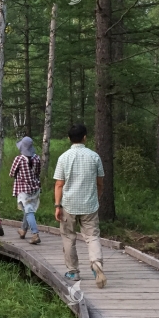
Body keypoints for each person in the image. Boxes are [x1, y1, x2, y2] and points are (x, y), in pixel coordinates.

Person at [53, 123, 106, 288]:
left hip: (69, 204)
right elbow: (100, 182)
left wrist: (57, 205)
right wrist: (97, 197)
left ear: (69, 139)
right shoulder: (94, 157)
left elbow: (59, 185)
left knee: (69, 237)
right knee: (92, 236)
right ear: (85, 137)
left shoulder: (63, 158)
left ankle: (73, 271)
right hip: (90, 204)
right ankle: (96, 263)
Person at [9, 136, 42, 245]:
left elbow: (12, 173)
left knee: (28, 211)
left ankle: (35, 234)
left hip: (24, 189)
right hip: (35, 188)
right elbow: (38, 172)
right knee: (28, 210)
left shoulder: (19, 159)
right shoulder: (37, 158)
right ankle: (23, 230)